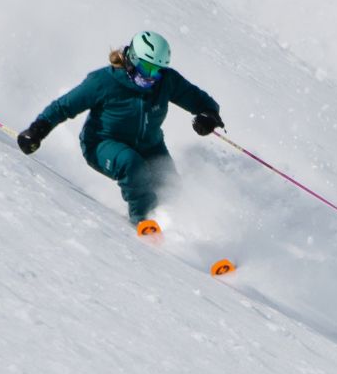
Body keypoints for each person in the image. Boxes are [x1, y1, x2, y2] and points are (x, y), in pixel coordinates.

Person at [15, 30, 223, 227]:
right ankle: (144, 221)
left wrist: (208, 115)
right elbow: (64, 106)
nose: (151, 76)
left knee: (170, 187)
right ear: (132, 58)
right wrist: (37, 131)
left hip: (150, 146)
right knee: (132, 164)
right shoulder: (104, 81)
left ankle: (181, 233)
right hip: (102, 143)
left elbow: (199, 99)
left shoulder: (166, 81)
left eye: (158, 71)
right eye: (146, 68)